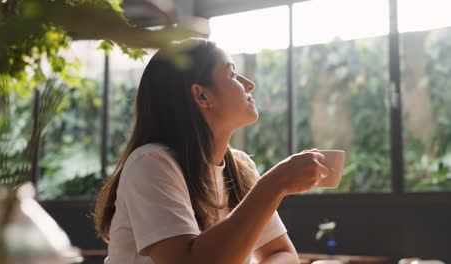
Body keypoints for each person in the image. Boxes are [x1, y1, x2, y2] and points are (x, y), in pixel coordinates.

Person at [94, 38, 328, 264]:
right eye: (232, 74)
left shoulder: (240, 167)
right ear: (201, 95)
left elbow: (284, 254)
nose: (249, 84)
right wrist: (276, 183)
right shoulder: (151, 164)